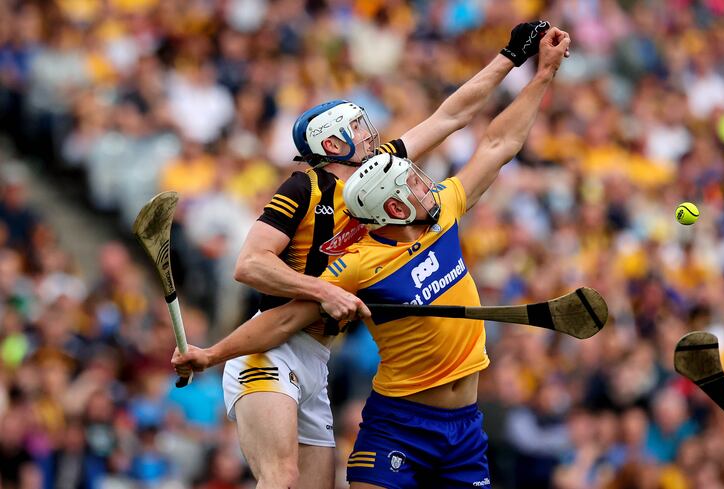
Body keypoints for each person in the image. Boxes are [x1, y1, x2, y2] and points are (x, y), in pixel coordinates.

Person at [175, 26, 571, 489]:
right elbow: (249, 265)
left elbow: (452, 116)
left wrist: (511, 58)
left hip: (318, 353)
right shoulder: (306, 188)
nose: (371, 133)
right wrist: (320, 290)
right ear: (332, 145)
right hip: (274, 346)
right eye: (356, 128)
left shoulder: (385, 174)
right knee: (280, 478)